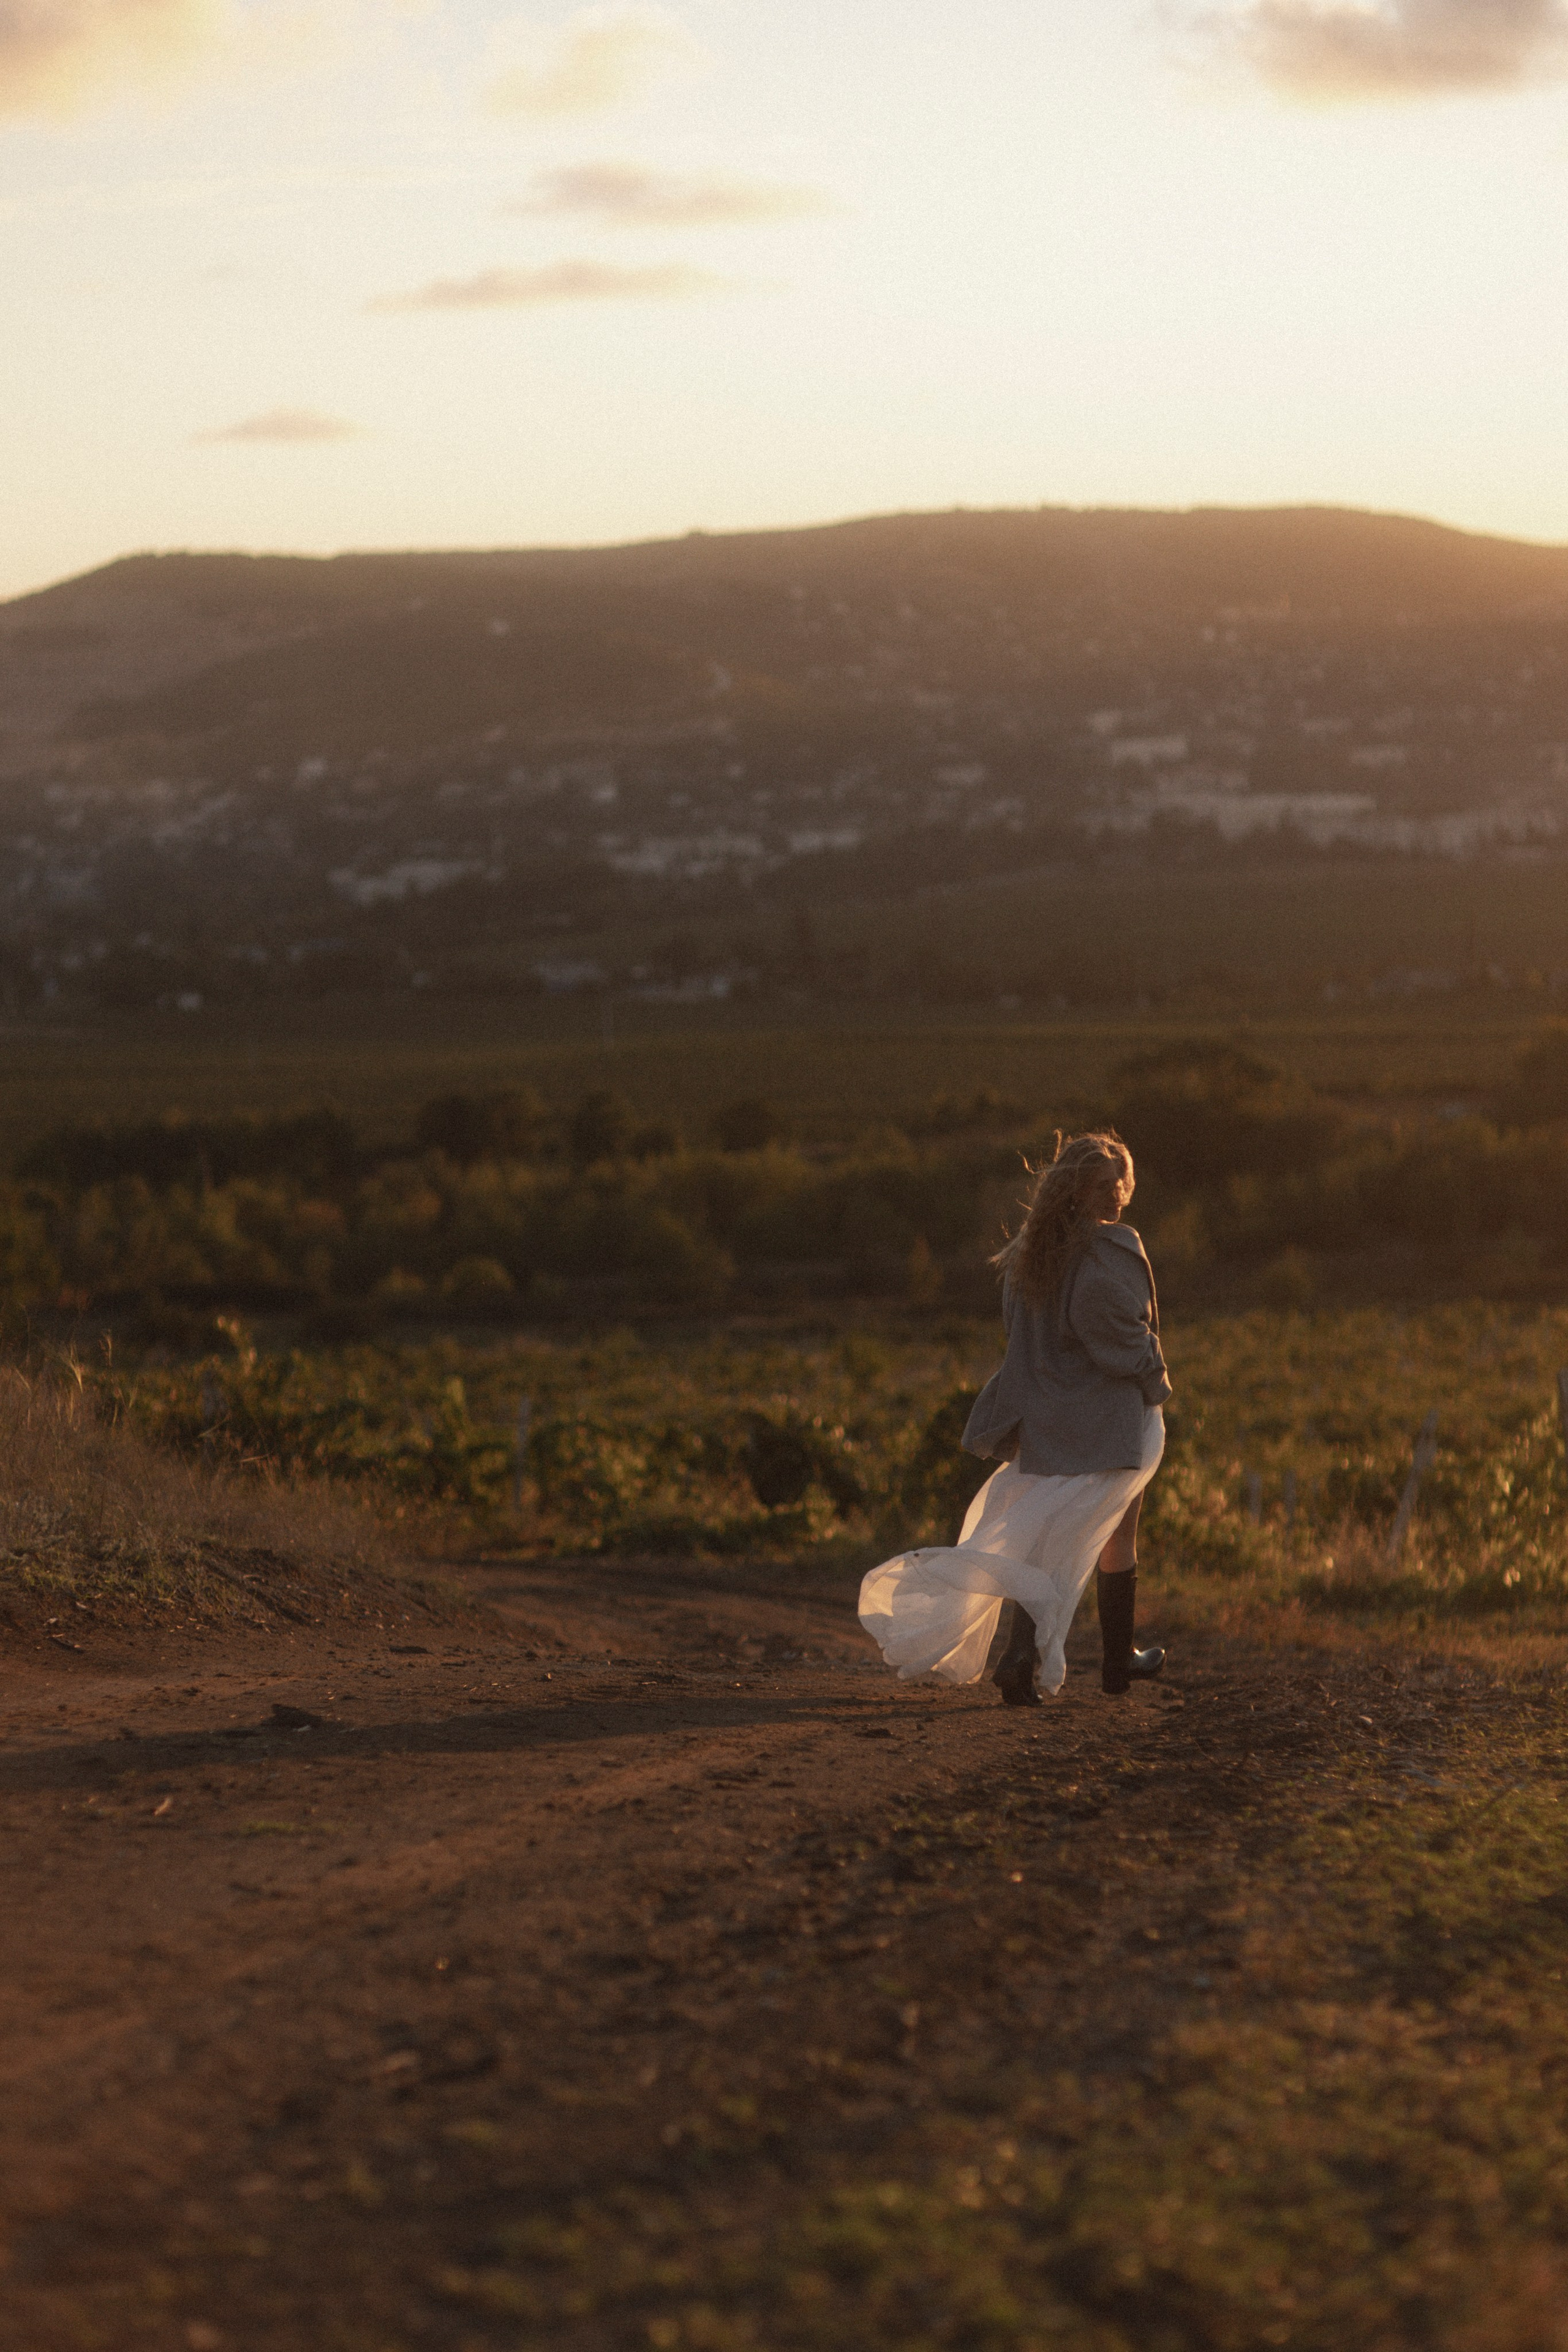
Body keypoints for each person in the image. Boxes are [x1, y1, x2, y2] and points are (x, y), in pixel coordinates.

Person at [859, 1129, 1169, 1706]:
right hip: (1104, 1416)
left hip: (1047, 1417)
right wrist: (1158, 1378)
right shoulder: (1104, 1255)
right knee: (1109, 1531)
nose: (1115, 1196)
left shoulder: (1035, 1252)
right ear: (1074, 1192)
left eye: (1119, 1184)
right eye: (1101, 1187)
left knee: (1049, 1533)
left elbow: (1028, 1335)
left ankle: (1036, 1657)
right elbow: (1119, 1338)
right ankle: (1102, 1664)